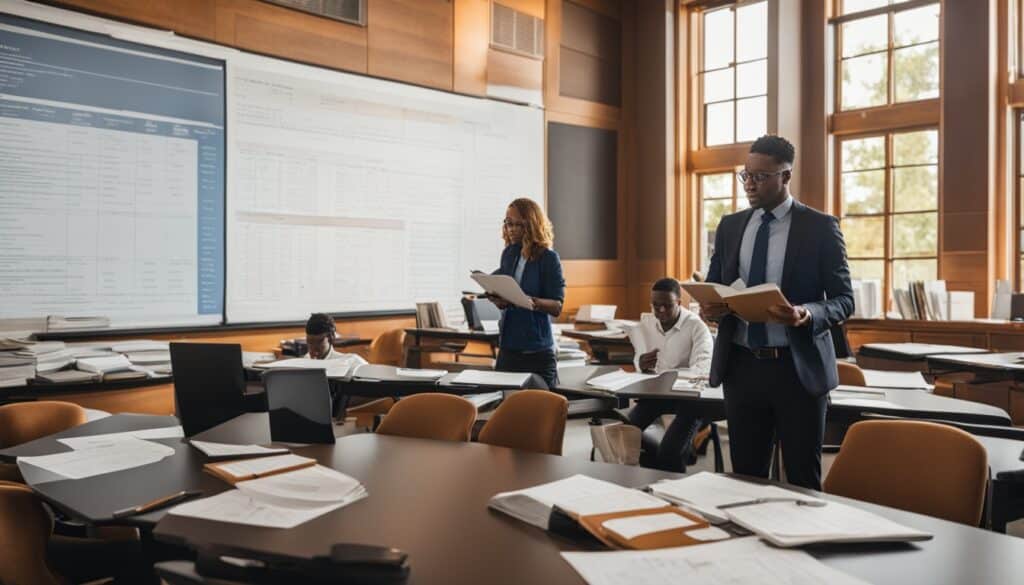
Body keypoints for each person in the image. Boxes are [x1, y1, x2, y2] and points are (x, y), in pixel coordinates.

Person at [699, 135, 853, 490]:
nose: (750, 185)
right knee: (745, 480)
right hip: (741, 367)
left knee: (802, 481)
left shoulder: (820, 227)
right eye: (746, 175)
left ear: (785, 176)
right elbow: (716, 283)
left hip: (796, 370)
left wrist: (807, 313)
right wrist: (712, 306)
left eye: (760, 177)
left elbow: (844, 300)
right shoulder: (731, 226)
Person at [627, 278, 713, 472]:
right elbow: (638, 357)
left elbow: (703, 369)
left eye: (667, 305)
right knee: (625, 432)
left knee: (670, 452)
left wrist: (669, 375)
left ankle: (672, 473)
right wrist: (640, 362)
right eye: (656, 306)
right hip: (657, 395)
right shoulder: (647, 323)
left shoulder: (696, 326)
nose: (661, 311)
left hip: (689, 399)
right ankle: (657, 465)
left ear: (679, 303)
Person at [486, 197, 566, 388]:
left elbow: (557, 306)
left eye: (517, 224)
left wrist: (530, 301)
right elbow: (505, 288)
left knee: (542, 411)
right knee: (505, 410)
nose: (511, 229)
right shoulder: (509, 253)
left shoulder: (548, 258)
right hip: (509, 347)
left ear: (531, 225)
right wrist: (497, 298)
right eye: (508, 223)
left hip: (537, 351)